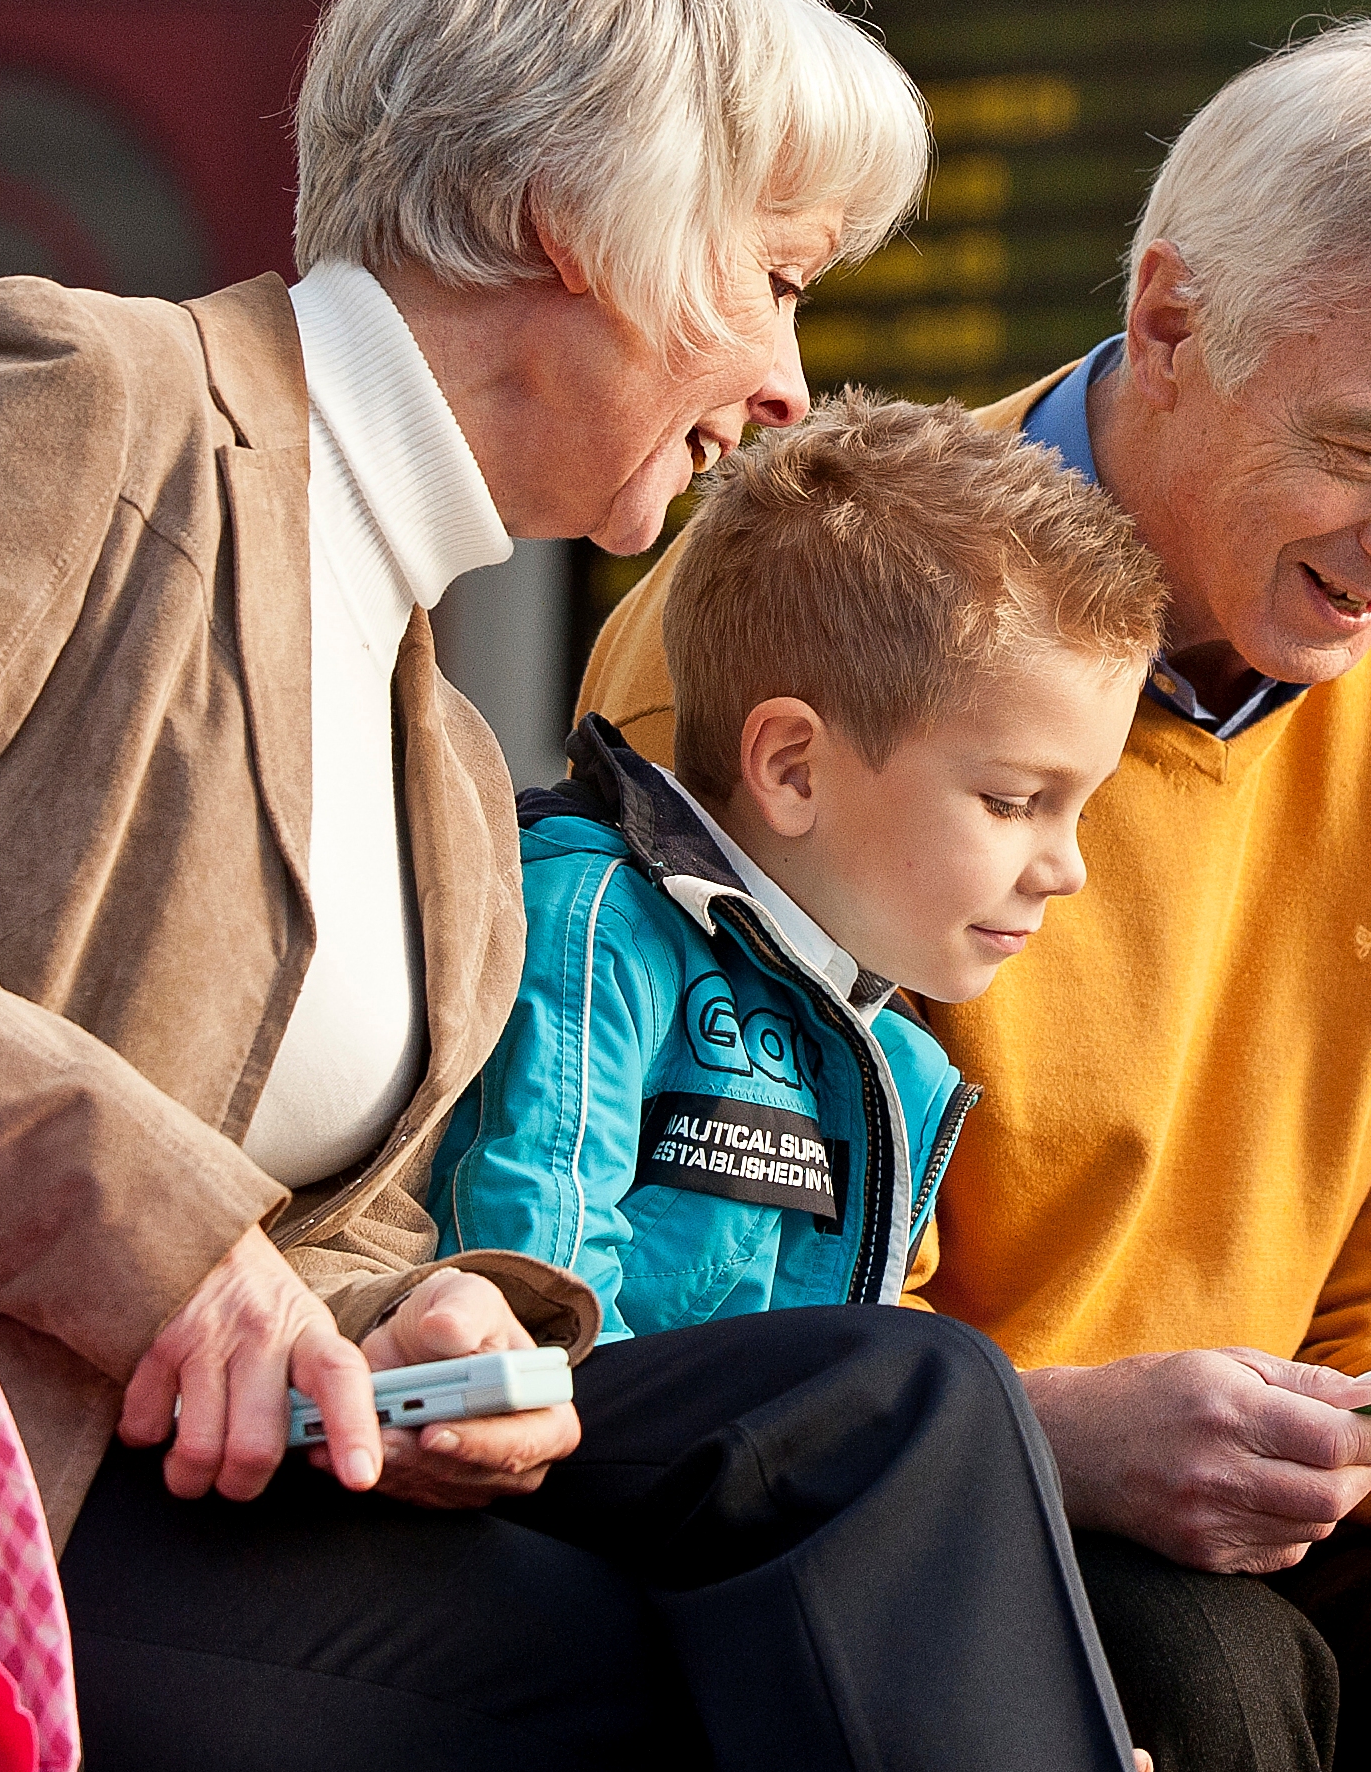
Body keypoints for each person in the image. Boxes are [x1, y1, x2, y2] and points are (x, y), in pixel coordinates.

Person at [0, 0, 1145, 1772]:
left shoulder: (452, 767)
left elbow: (328, 1226)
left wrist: (417, 1308)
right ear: (576, 216)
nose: (793, 385)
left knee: (889, 1423)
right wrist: (164, 1236)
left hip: (194, 1500)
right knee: (851, 1490)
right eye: (773, 282)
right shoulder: (74, 401)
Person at [581, 16, 1371, 1772]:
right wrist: (1056, 1437)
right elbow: (683, 1280)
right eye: (1369, 448)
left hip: (1267, 1523)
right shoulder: (794, 614)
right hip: (897, 1505)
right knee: (1194, 1651)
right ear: (1168, 321)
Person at [430, 391, 1161, 1344]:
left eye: (1081, 808)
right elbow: (539, 1327)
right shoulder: (593, 929)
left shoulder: (897, 1055)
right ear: (792, 769)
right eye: (1014, 802)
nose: (1065, 869)